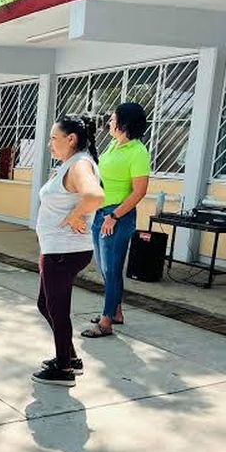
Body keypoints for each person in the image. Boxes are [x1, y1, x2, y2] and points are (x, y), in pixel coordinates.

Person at [31, 116, 105, 386]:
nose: (50, 144)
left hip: (64, 251)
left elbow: (95, 196)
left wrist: (76, 215)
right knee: (47, 305)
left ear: (71, 139)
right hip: (58, 250)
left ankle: (64, 368)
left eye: (54, 138)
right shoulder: (73, 163)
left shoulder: (80, 165)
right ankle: (69, 357)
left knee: (56, 308)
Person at [81, 102, 150, 338]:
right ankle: (116, 311)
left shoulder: (138, 152)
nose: (109, 122)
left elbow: (139, 191)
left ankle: (106, 322)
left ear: (124, 123)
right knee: (104, 268)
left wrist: (114, 215)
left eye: (112, 119)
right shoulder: (112, 145)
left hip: (117, 216)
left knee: (111, 270)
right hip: (101, 213)